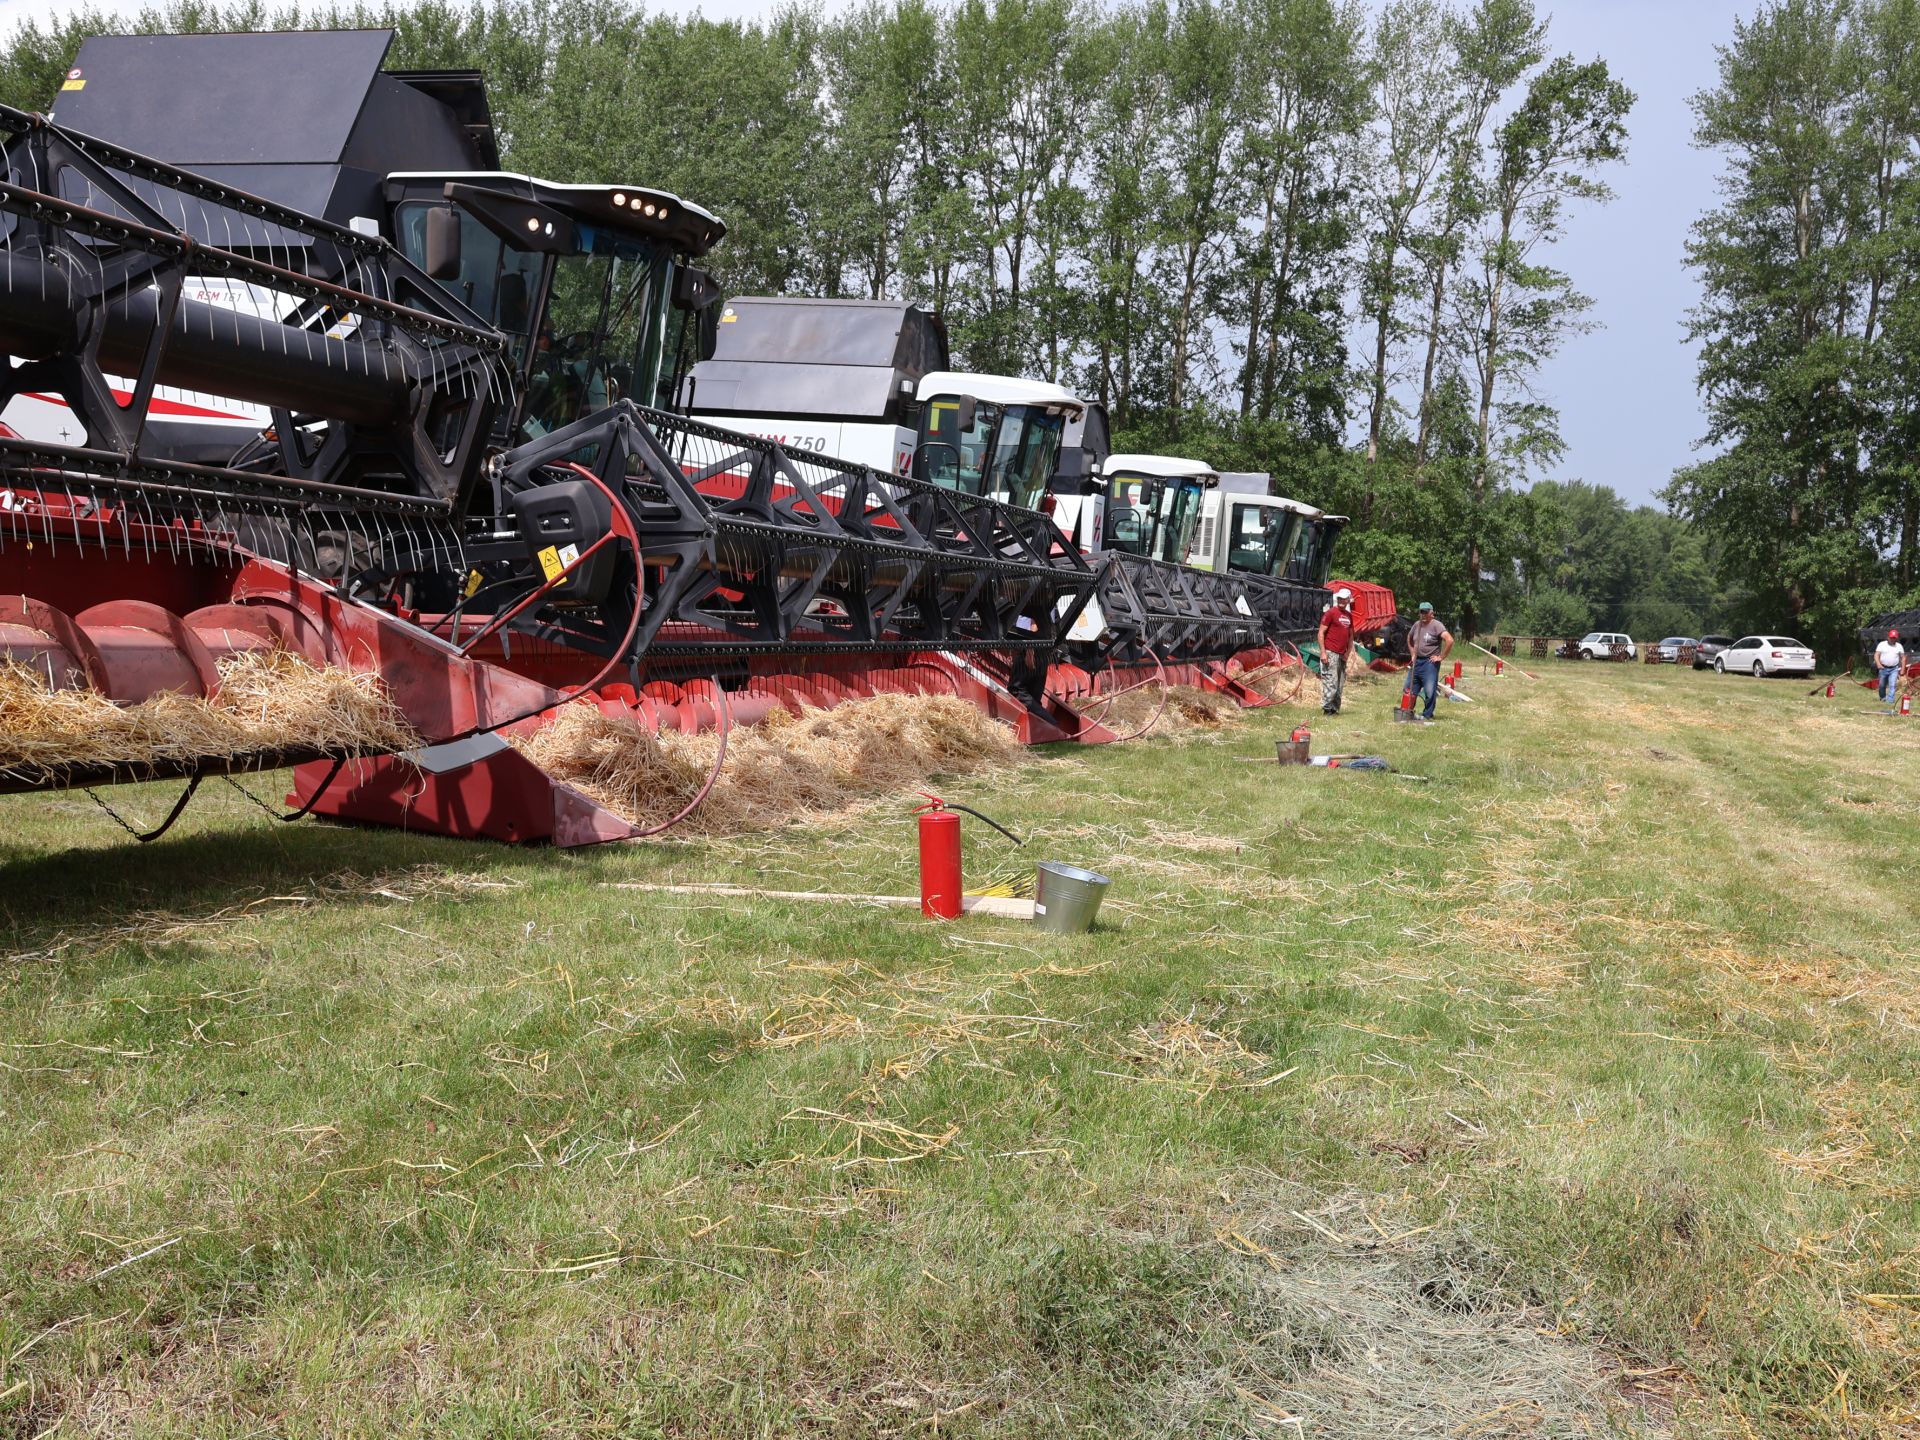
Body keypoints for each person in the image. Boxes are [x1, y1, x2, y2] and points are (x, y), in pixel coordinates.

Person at [1404, 601, 1453, 720]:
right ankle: (1407, 713)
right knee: (1409, 689)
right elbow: (1409, 638)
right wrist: (1413, 654)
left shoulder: (1437, 625)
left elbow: (1449, 640)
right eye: (1421, 612)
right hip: (1417, 662)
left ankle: (1427, 715)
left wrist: (1440, 657)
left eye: (1426, 612)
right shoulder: (1417, 625)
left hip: (1429, 663)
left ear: (1432, 613)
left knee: (1430, 691)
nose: (1423, 614)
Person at [1317, 587, 1356, 714]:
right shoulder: (1330, 613)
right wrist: (1323, 652)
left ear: (1348, 600)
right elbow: (1321, 633)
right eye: (1340, 598)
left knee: (1339, 684)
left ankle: (1335, 709)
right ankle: (1327, 708)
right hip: (1330, 652)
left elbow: (1351, 637)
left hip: (1342, 654)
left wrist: (1347, 653)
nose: (1341, 601)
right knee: (1331, 682)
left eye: (1344, 599)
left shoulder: (1349, 616)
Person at [1876, 628, 1905, 703]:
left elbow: (1903, 658)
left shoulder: (1899, 646)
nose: (1892, 639)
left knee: (1892, 685)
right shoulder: (1882, 644)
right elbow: (1876, 655)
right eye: (1891, 637)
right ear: (1888, 637)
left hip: (1894, 669)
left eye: (1894, 638)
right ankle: (1883, 698)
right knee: (1882, 685)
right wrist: (1878, 664)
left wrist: (1902, 669)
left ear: (1896, 638)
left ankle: (1890, 701)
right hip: (1883, 668)